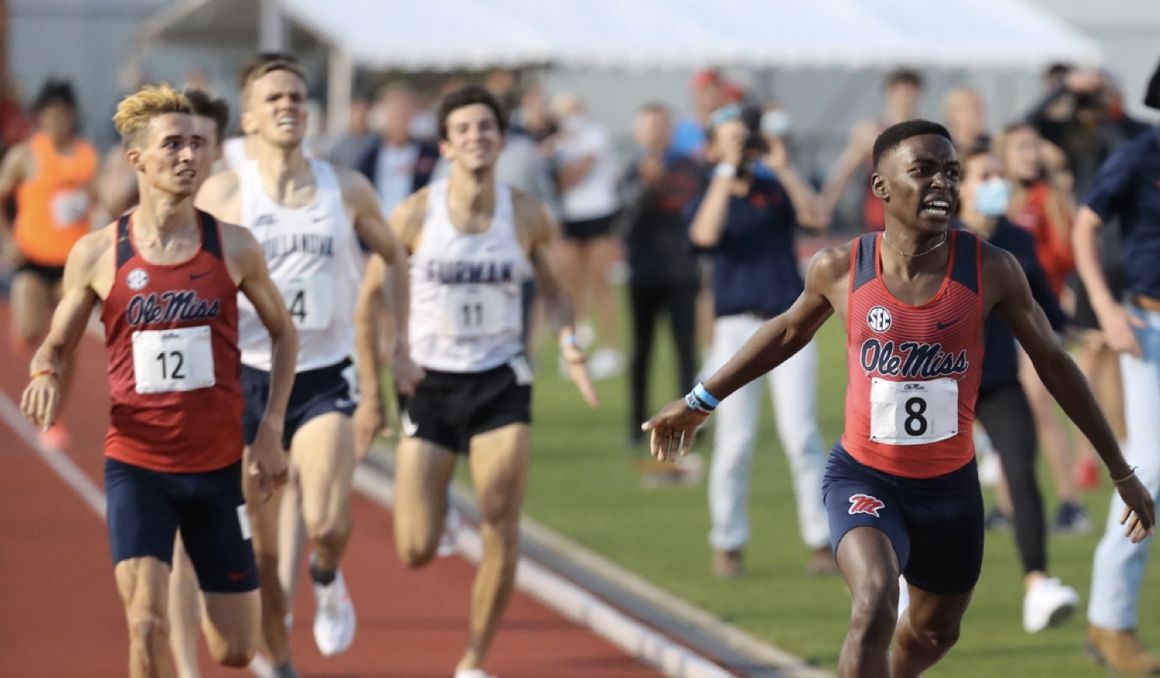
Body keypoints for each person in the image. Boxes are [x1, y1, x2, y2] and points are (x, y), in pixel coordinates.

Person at [644, 119, 1155, 678]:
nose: (942, 183)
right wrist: (700, 399)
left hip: (950, 491)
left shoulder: (990, 268)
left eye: (951, 172)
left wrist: (1121, 471)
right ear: (881, 186)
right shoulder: (841, 268)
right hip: (865, 477)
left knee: (934, 633)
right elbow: (788, 331)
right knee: (875, 600)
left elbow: (1055, 365)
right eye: (924, 170)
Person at [20, 83, 296, 677]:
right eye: (173, 144)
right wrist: (45, 370)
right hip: (138, 466)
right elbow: (58, 339)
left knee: (236, 649)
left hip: (218, 470)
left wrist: (271, 427)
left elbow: (284, 335)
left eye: (198, 144)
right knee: (145, 625)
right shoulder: (99, 253)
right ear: (137, 159)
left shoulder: (236, 247)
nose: (189, 156)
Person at [356, 85, 597, 678]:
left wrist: (568, 342)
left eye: (486, 127)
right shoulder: (414, 213)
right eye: (462, 129)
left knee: (501, 521)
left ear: (502, 136)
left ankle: (472, 661)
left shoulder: (526, 214)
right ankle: (440, 510)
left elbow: (557, 291)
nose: (475, 138)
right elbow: (369, 300)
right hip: (431, 385)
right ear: (444, 145)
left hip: (500, 381)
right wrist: (390, 365)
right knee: (414, 547)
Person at [196, 56, 415, 677]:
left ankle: (326, 570)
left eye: (296, 95)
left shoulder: (343, 188)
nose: (288, 105)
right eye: (273, 99)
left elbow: (396, 258)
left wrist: (400, 345)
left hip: (321, 377)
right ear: (249, 119)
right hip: (248, 382)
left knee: (326, 518)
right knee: (264, 559)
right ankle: (286, 663)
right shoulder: (226, 193)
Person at [687, 105, 832, 578]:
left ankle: (820, 540)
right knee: (735, 440)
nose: (739, 148)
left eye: (742, 140)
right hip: (734, 330)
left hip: (788, 325)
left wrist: (782, 165)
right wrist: (725, 171)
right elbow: (704, 234)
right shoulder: (712, 194)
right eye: (726, 140)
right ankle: (727, 541)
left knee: (801, 436)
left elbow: (815, 216)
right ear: (711, 148)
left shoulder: (775, 188)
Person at [956, 145, 1080, 633]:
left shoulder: (1016, 239)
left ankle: (1038, 583)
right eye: (984, 175)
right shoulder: (940, 241)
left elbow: (1044, 303)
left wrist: (1078, 328)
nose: (995, 183)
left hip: (1000, 379)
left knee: (1022, 473)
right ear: (960, 185)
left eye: (999, 175)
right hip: (943, 384)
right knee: (928, 484)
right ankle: (904, 585)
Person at [1074, 60, 1160, 674]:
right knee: (1150, 470)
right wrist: (1105, 307)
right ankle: (1110, 621)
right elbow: (1084, 226)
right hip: (1148, 327)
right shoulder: (1139, 156)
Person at [998, 122, 1090, 533]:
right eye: (1020, 147)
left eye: (1033, 146)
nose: (1030, 154)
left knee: (1039, 409)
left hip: (1036, 317)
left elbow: (1067, 257)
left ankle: (1070, 502)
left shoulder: (1050, 199)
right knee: (1004, 412)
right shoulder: (998, 199)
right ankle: (1006, 506)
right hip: (997, 320)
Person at [0, 79, 98, 447]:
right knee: (28, 330)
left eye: (63, 115)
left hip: (73, 265)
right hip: (32, 260)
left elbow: (100, 198)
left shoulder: (88, 156)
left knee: (65, 343)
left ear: (72, 117)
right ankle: (29, 339)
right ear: (40, 119)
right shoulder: (26, 156)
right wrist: (7, 238)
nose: (57, 122)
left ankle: (54, 413)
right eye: (50, 116)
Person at [619, 103, 704, 450]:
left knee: (686, 352)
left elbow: (700, 212)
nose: (655, 132)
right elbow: (623, 219)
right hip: (644, 272)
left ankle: (693, 421)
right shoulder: (630, 171)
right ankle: (635, 424)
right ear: (639, 133)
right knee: (641, 352)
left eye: (661, 125)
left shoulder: (690, 168)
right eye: (648, 126)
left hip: (682, 271)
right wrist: (645, 186)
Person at [551, 92, 624, 379]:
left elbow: (575, 174)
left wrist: (559, 172)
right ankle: (575, 345)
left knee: (600, 281)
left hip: (598, 213)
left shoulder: (595, 134)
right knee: (571, 285)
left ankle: (609, 348)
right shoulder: (555, 140)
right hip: (568, 216)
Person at [821, 68, 923, 232]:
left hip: (915, 219)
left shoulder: (926, 133)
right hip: (880, 219)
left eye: (910, 92)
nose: (906, 98)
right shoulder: (870, 132)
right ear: (890, 92)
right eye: (901, 92)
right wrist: (826, 207)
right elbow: (844, 171)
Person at [355, 82, 440, 218]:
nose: (400, 118)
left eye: (405, 111)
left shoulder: (430, 154)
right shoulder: (368, 156)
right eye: (395, 112)